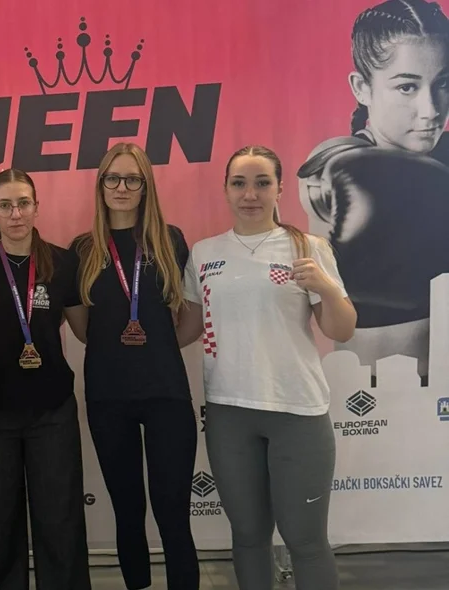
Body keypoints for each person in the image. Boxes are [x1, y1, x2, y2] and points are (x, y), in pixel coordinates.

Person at [178, 145, 356, 590]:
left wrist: (326, 288)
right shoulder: (204, 253)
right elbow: (185, 330)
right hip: (229, 413)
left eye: (262, 183)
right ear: (225, 189)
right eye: (239, 183)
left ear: (279, 189)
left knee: (306, 540)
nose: (250, 194)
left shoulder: (307, 247)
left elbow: (341, 329)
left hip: (297, 411)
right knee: (248, 536)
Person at [0, 168, 91, 590]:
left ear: (37, 207)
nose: (16, 213)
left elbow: (85, 331)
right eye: (5, 205)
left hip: (51, 409)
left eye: (23, 203)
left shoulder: (63, 262)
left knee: (59, 519)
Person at [297, 0, 449, 381]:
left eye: (443, 84)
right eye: (407, 86)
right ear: (361, 87)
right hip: (377, 399)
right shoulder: (337, 163)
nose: (431, 109)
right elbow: (367, 181)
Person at [70, 143, 199, 590]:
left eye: (132, 179)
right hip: (108, 396)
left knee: (172, 511)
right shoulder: (83, 249)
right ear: (100, 185)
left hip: (166, 394)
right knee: (127, 510)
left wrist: (155, 347)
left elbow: (188, 319)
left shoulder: (171, 240)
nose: (121, 187)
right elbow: (83, 328)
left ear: (146, 187)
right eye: (113, 178)